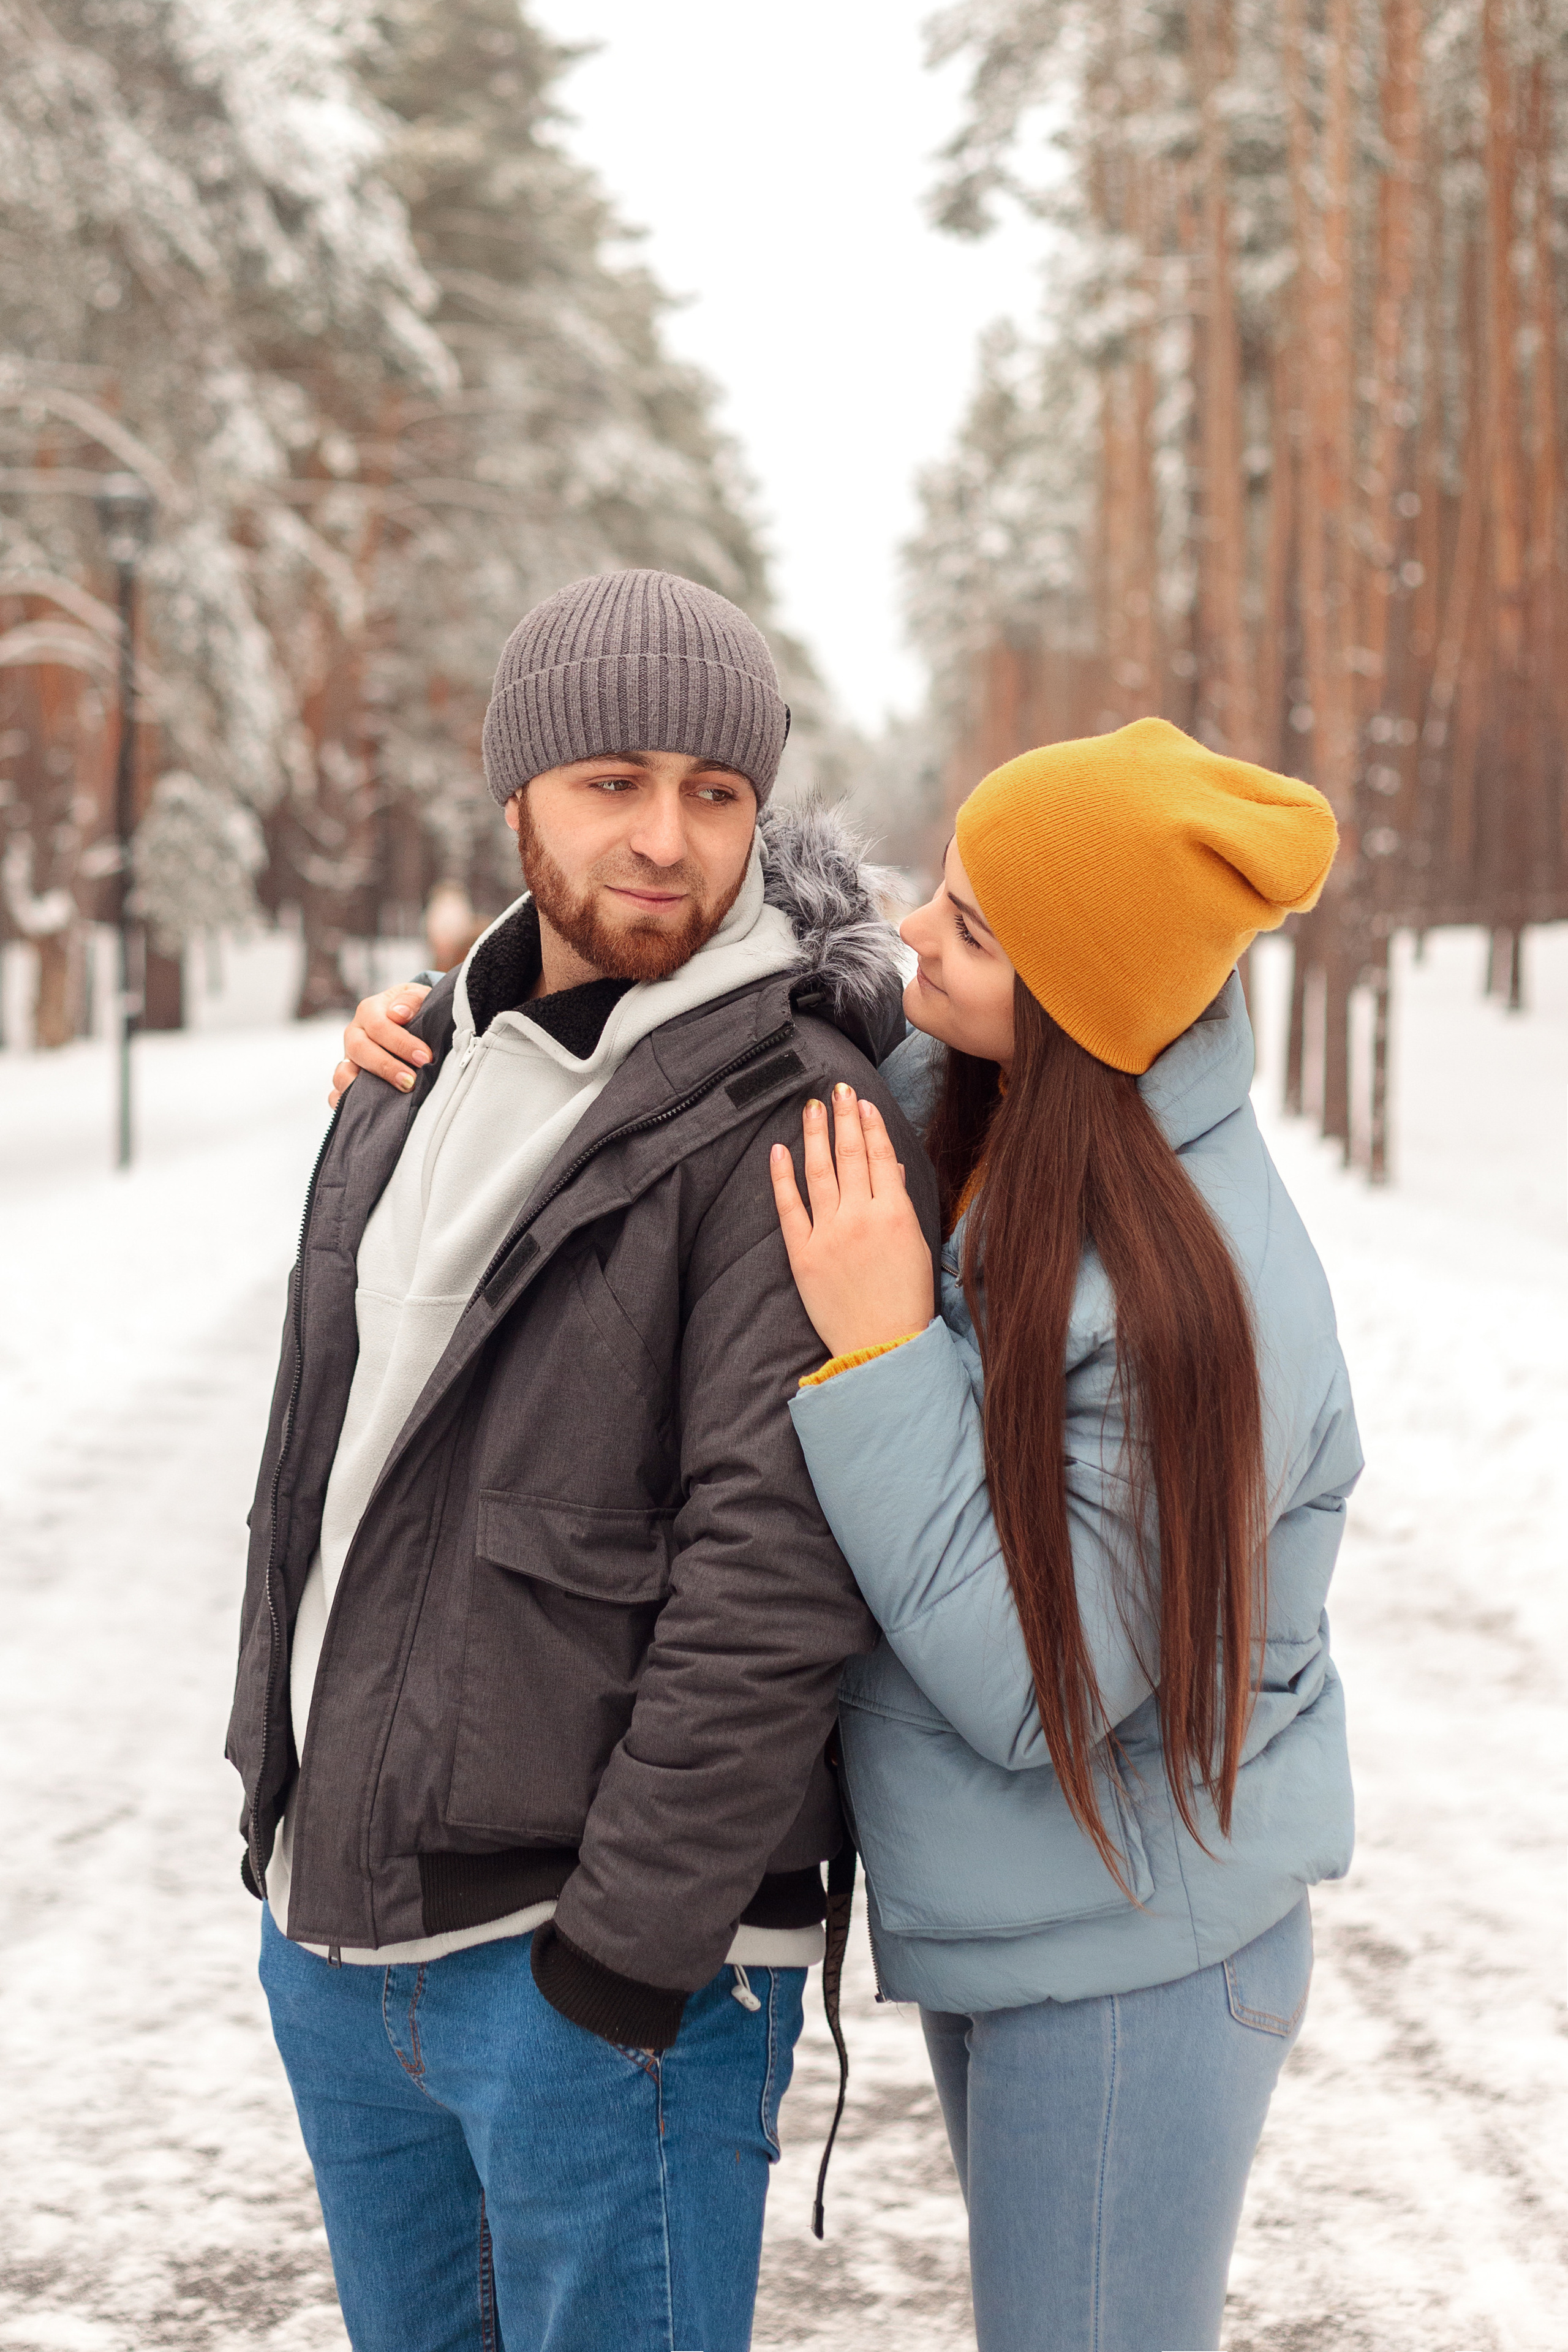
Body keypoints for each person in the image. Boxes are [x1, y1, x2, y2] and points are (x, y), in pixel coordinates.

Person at [229, 567, 939, 2352]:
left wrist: (621, 1962)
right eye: (611, 782)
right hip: (344, 1943)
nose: (667, 840)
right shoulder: (416, 1071)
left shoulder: (794, 1106)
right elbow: (336, 1467)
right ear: (518, 795)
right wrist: (283, 1822)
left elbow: (775, 1574)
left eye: (716, 794)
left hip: (610, 1977)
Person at [763, 717, 1362, 2351]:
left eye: (972, 929)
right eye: (939, 892)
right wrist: (460, 1025)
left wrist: (884, 1354)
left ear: (1090, 996)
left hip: (1136, 1973)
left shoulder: (1202, 1300)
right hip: (1031, 1931)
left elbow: (1045, 1686)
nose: (919, 943)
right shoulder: (1015, 1095)